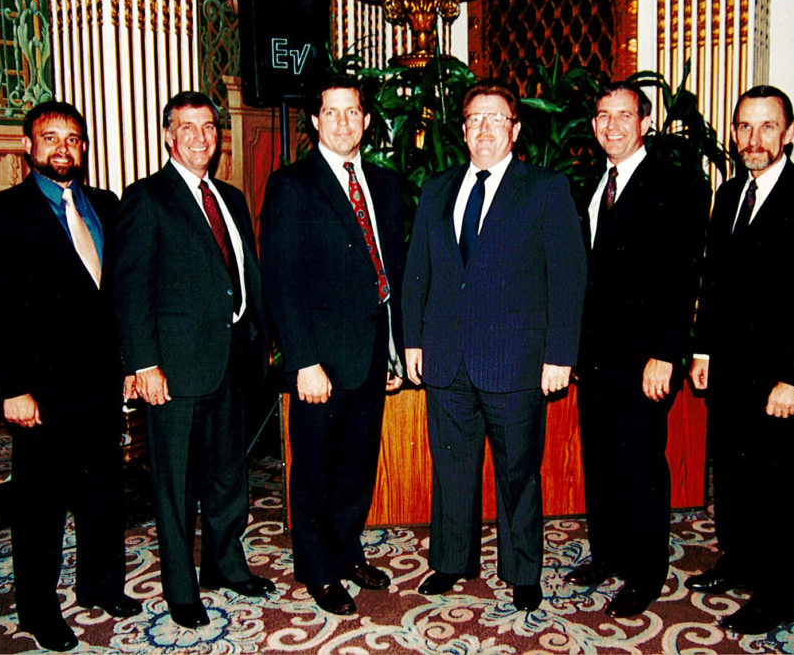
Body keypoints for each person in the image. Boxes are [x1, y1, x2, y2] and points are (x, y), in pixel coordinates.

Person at [402, 79, 586, 612]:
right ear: (463, 131)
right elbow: (419, 273)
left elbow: (568, 277)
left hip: (516, 358)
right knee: (453, 466)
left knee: (518, 471)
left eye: (496, 119)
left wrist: (560, 354)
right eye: (475, 119)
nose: (485, 128)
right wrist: (413, 341)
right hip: (446, 356)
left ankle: (522, 569)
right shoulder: (438, 187)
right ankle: (452, 561)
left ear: (515, 129)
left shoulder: (545, 187)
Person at [0, 101, 142, 651]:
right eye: (50, 138)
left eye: (73, 139)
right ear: (27, 146)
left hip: (102, 383)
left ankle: (100, 584)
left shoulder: (107, 207)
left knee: (104, 491)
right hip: (37, 392)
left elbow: (123, 296)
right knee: (39, 507)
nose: (63, 148)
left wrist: (131, 365)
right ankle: (39, 610)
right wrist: (9, 388)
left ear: (83, 148)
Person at [111, 91, 274, 629]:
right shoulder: (146, 199)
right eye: (188, 127)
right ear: (168, 135)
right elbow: (130, 291)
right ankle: (181, 589)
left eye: (209, 127)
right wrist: (142, 364)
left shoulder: (229, 196)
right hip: (175, 370)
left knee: (230, 475)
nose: (201, 137)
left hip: (230, 362)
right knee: (175, 484)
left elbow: (243, 276)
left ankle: (225, 565)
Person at [685, 85, 794, 634]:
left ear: (790, 133)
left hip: (780, 378)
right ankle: (740, 559)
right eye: (745, 127)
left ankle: (778, 596)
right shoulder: (728, 195)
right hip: (729, 370)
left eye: (767, 127)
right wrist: (702, 348)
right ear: (733, 133)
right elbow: (715, 281)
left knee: (781, 485)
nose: (754, 139)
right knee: (733, 474)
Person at [259, 77, 405, 616]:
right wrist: (302, 359)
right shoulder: (292, 184)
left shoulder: (385, 185)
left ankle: (346, 551)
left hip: (370, 354)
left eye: (353, 113)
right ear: (315, 122)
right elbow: (281, 278)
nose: (343, 122)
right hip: (319, 359)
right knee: (316, 468)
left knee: (357, 465)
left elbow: (393, 272)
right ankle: (318, 569)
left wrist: (395, 349)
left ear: (366, 122)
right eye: (332, 112)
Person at [565, 82, 708, 617]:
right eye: (603, 116)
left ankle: (646, 572)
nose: (613, 126)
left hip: (647, 358)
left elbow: (681, 277)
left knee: (640, 463)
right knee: (600, 459)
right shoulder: (590, 185)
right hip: (596, 357)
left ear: (644, 121)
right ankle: (608, 555)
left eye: (624, 115)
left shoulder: (675, 185)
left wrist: (666, 354)